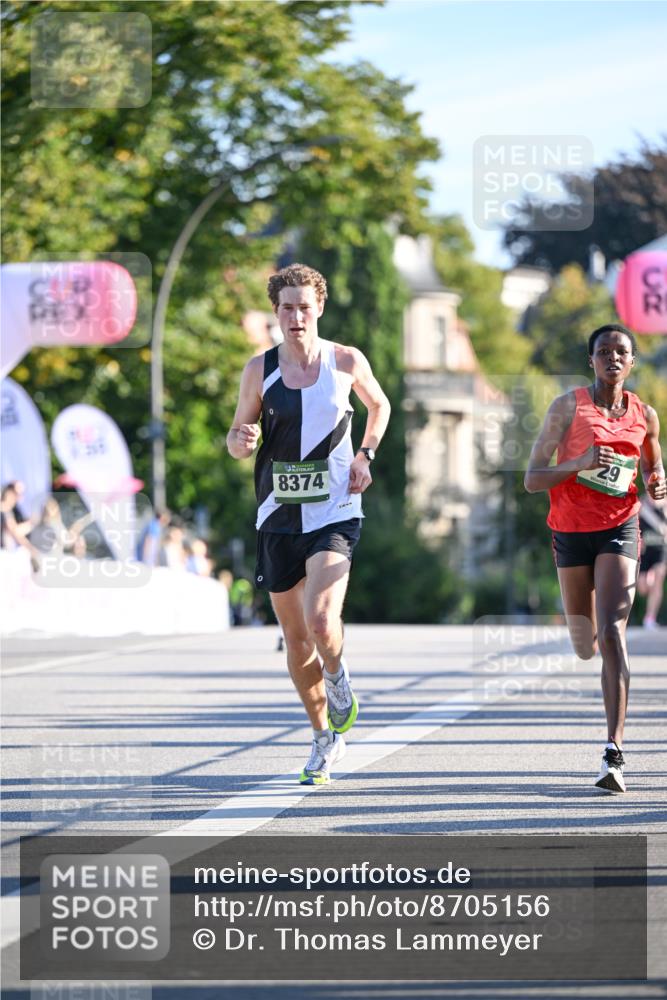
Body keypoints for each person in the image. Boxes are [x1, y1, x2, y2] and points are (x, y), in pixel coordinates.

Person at [227, 262, 390, 784]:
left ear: (319, 307)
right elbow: (237, 436)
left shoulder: (345, 360)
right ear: (275, 313)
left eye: (304, 307)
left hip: (335, 510)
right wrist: (240, 440)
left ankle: (337, 675)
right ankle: (324, 738)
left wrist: (365, 455)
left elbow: (380, 405)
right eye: (286, 308)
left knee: (321, 622)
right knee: (297, 641)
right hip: (277, 515)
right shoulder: (259, 369)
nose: (295, 317)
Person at [525, 323, 666, 794]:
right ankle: (591, 650)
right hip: (570, 532)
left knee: (611, 632)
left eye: (620, 351)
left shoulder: (645, 414)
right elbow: (532, 479)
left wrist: (657, 482)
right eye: (603, 351)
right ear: (591, 360)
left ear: (632, 362)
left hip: (620, 528)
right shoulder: (567, 407)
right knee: (585, 643)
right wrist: (578, 464)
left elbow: (653, 464)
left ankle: (613, 751)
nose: (612, 358)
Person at [638, 494, 667, 629]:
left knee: (658, 581)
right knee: (643, 588)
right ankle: (650, 584)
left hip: (661, 549)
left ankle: (650, 618)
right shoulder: (641, 503)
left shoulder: (665, 504)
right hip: (645, 550)